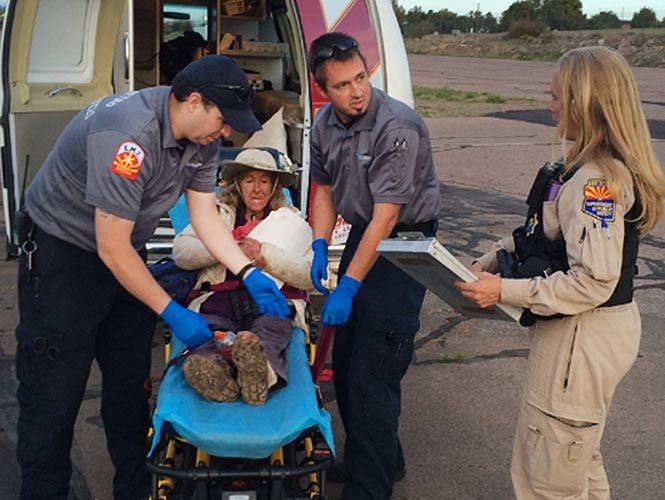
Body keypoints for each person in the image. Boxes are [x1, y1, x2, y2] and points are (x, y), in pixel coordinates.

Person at [15, 55, 290, 499]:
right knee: (54, 397)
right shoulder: (127, 136)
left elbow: (203, 215)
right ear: (195, 101)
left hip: (126, 253)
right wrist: (171, 311)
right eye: (223, 121)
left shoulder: (199, 141)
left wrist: (246, 270)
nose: (226, 133)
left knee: (129, 388)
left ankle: (134, 488)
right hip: (64, 258)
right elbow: (110, 246)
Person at [457, 46, 665, 499]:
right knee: (578, 454)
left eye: (556, 96)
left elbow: (593, 281)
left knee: (550, 473)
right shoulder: (579, 168)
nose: (549, 105)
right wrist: (493, 258)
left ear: (582, 103)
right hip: (584, 334)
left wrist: (503, 291)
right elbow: (543, 234)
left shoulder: (596, 182)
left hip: (583, 336)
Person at [306, 33, 442, 500]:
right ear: (323, 88)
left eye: (361, 77)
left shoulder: (396, 125)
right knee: (345, 365)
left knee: (374, 369)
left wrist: (347, 288)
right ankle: (381, 455)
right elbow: (322, 189)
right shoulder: (324, 125)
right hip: (367, 237)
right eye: (342, 84)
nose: (357, 90)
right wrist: (320, 244)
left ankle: (371, 486)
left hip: (405, 243)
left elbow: (387, 215)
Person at [173, 148, 313, 405]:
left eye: (264, 181)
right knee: (212, 332)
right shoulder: (216, 213)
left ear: (274, 186)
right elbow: (181, 252)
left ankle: (262, 374)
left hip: (270, 299)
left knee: (267, 333)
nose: (256, 189)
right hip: (221, 295)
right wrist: (226, 246)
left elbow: (309, 276)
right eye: (249, 180)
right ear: (238, 183)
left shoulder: (291, 222)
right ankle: (217, 374)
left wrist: (264, 255)